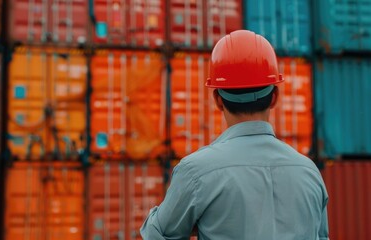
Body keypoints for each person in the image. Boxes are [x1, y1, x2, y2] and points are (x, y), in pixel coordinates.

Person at [140, 30, 329, 240]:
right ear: (274, 97)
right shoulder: (309, 173)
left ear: (218, 100)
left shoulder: (196, 173)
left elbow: (157, 235)